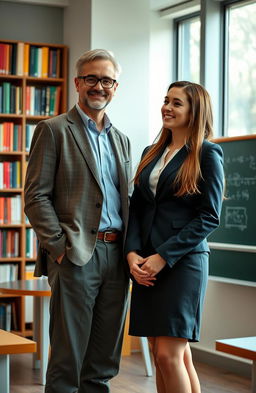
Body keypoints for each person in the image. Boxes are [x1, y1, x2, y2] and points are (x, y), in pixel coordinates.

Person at [24, 49, 132, 393]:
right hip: (75, 256)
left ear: (115, 87)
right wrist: (59, 248)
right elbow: (35, 196)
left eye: (106, 80)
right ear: (77, 83)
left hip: (117, 258)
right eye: (91, 79)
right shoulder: (53, 130)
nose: (99, 86)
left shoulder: (122, 140)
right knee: (68, 361)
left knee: (102, 363)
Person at [125, 81, 224, 393]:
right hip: (145, 264)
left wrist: (163, 256)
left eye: (177, 103)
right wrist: (132, 254)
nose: (167, 107)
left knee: (169, 356)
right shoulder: (151, 152)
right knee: (163, 354)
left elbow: (209, 216)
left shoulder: (207, 154)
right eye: (166, 100)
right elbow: (137, 208)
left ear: (194, 111)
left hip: (182, 264)